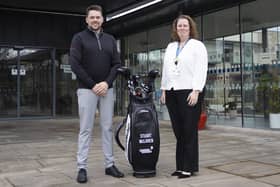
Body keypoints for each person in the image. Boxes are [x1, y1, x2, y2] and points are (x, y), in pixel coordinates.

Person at [69, 4, 124, 183]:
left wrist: (106, 83)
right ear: (87, 19)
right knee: (86, 129)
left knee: (107, 127)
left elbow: (116, 64)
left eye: (98, 17)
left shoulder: (110, 39)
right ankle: (81, 167)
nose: (95, 20)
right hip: (87, 89)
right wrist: (93, 85)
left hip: (107, 89)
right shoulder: (79, 38)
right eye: (91, 17)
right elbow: (75, 64)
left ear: (102, 20)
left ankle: (109, 165)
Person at [160, 15, 208, 178]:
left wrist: (196, 90)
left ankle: (189, 167)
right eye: (179, 26)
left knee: (189, 130)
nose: (182, 28)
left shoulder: (197, 46)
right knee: (178, 130)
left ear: (190, 28)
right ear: (175, 28)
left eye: (185, 26)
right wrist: (164, 89)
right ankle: (180, 166)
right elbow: (166, 68)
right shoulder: (171, 46)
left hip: (189, 91)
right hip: (172, 91)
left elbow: (201, 69)